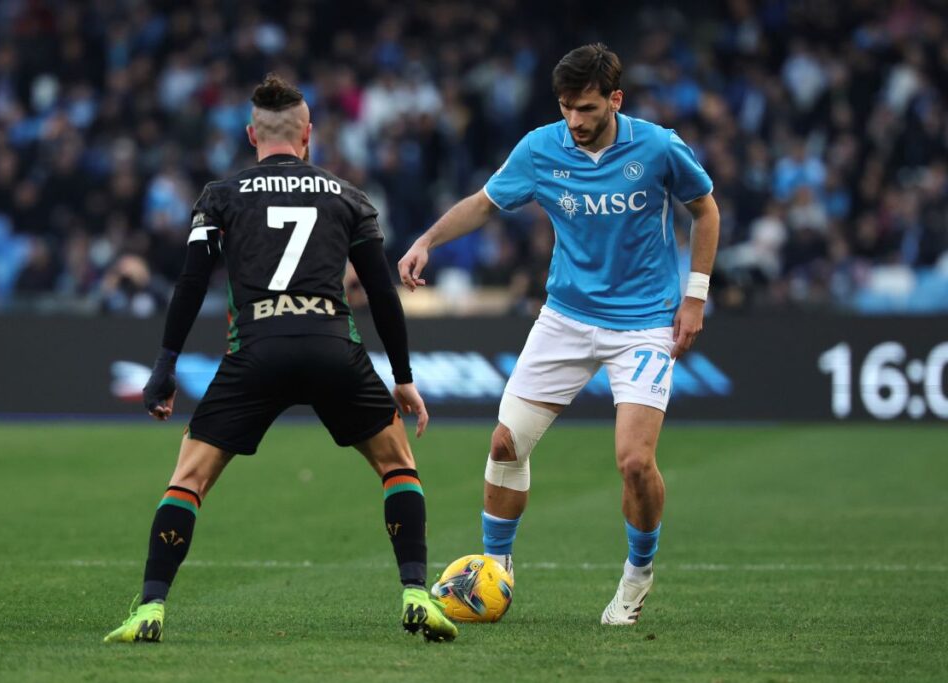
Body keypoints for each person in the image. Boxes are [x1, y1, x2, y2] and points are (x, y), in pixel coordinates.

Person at [104, 74, 457, 643]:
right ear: (307, 134)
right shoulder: (348, 196)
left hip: (256, 350)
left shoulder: (220, 196)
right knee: (397, 465)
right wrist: (405, 377)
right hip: (331, 346)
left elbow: (191, 284)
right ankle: (416, 592)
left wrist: (165, 366)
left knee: (188, 480)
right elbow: (384, 294)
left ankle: (150, 608)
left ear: (251, 134)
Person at [398, 44, 719, 625]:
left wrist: (694, 296)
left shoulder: (658, 146)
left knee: (634, 464)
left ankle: (637, 576)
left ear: (615, 100)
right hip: (565, 319)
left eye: (587, 108)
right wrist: (426, 241)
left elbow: (706, 210)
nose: (574, 121)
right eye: (566, 107)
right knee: (504, 445)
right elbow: (483, 204)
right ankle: (496, 573)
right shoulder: (540, 148)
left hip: (644, 324)